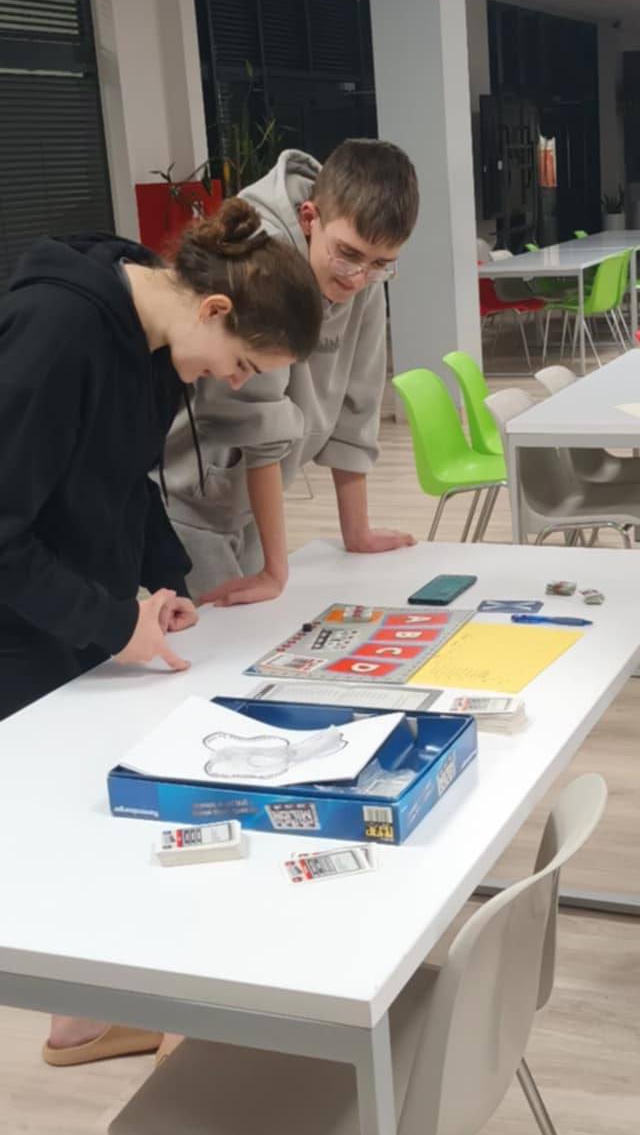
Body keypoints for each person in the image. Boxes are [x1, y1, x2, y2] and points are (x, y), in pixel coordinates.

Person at [0, 197, 322, 1066]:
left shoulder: (154, 337)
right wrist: (112, 624)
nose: (237, 383)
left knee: (101, 801)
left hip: (69, 602)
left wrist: (166, 579)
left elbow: (126, 477)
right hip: (19, 621)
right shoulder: (57, 332)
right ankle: (83, 1017)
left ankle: (91, 1016)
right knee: (62, 811)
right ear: (213, 308)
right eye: (242, 362)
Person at [165, 139, 420, 604]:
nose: (358, 277)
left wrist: (357, 532)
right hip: (191, 500)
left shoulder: (363, 271)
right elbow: (259, 425)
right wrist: (275, 570)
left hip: (254, 499)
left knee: (257, 625)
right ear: (308, 218)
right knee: (217, 635)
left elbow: (357, 404)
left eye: (380, 263)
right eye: (348, 255)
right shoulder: (263, 258)